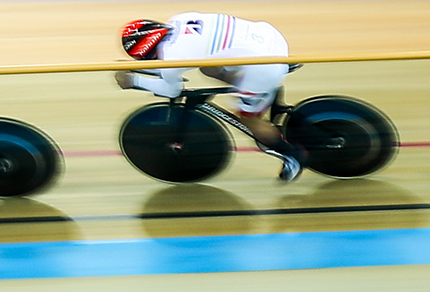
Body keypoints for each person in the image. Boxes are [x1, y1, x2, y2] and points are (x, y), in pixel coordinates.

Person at [117, 14, 304, 181]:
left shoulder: (173, 55)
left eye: (147, 58)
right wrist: (140, 68)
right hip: (268, 37)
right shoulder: (179, 19)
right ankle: (261, 94)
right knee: (209, 67)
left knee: (248, 119)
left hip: (264, 65)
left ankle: (293, 155)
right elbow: (174, 65)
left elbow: (171, 89)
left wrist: (133, 80)